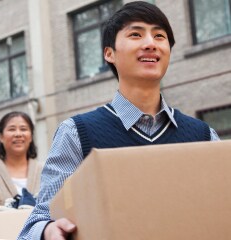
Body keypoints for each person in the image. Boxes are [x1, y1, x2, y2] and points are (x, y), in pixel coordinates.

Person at [18, 1, 220, 240]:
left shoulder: (204, 137)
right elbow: (35, 224)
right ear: (109, 53)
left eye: (159, 36)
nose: (150, 44)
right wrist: (49, 230)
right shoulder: (77, 133)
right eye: (136, 34)